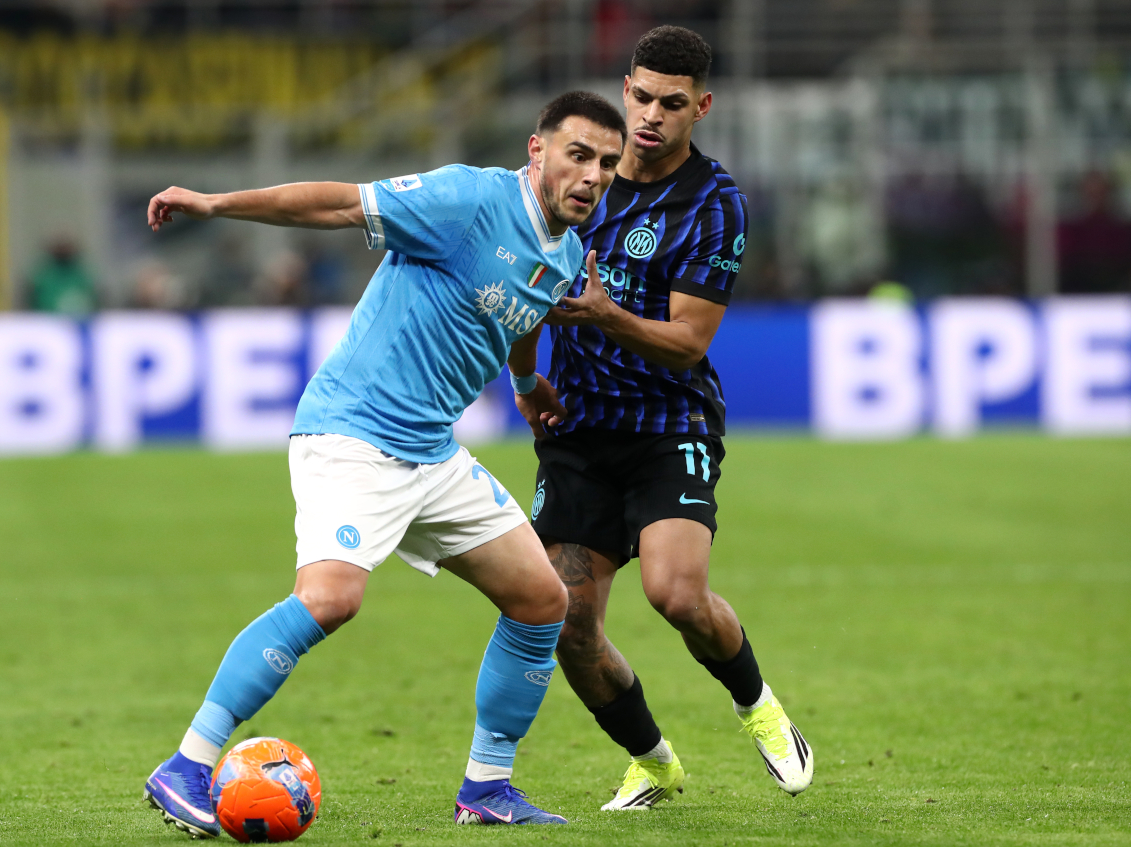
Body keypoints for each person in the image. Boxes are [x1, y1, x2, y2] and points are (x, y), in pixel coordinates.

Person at [140, 91, 626, 837]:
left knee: (541, 598)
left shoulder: (564, 251)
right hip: (354, 432)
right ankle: (187, 763)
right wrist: (214, 202)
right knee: (332, 598)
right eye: (579, 154)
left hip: (430, 451)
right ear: (537, 150)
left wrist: (526, 385)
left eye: (607, 163)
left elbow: (531, 308)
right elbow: (335, 205)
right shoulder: (467, 199)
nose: (593, 174)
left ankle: (487, 787)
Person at [511, 26, 814, 811]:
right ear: (624, 89)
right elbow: (527, 278)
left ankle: (761, 708)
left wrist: (608, 316)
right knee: (566, 623)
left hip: (668, 424)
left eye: (671, 104)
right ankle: (651, 759)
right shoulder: (582, 178)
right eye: (640, 97)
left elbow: (687, 343)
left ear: (701, 107)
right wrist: (526, 376)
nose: (649, 116)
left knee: (676, 594)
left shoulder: (716, 205)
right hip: (577, 430)